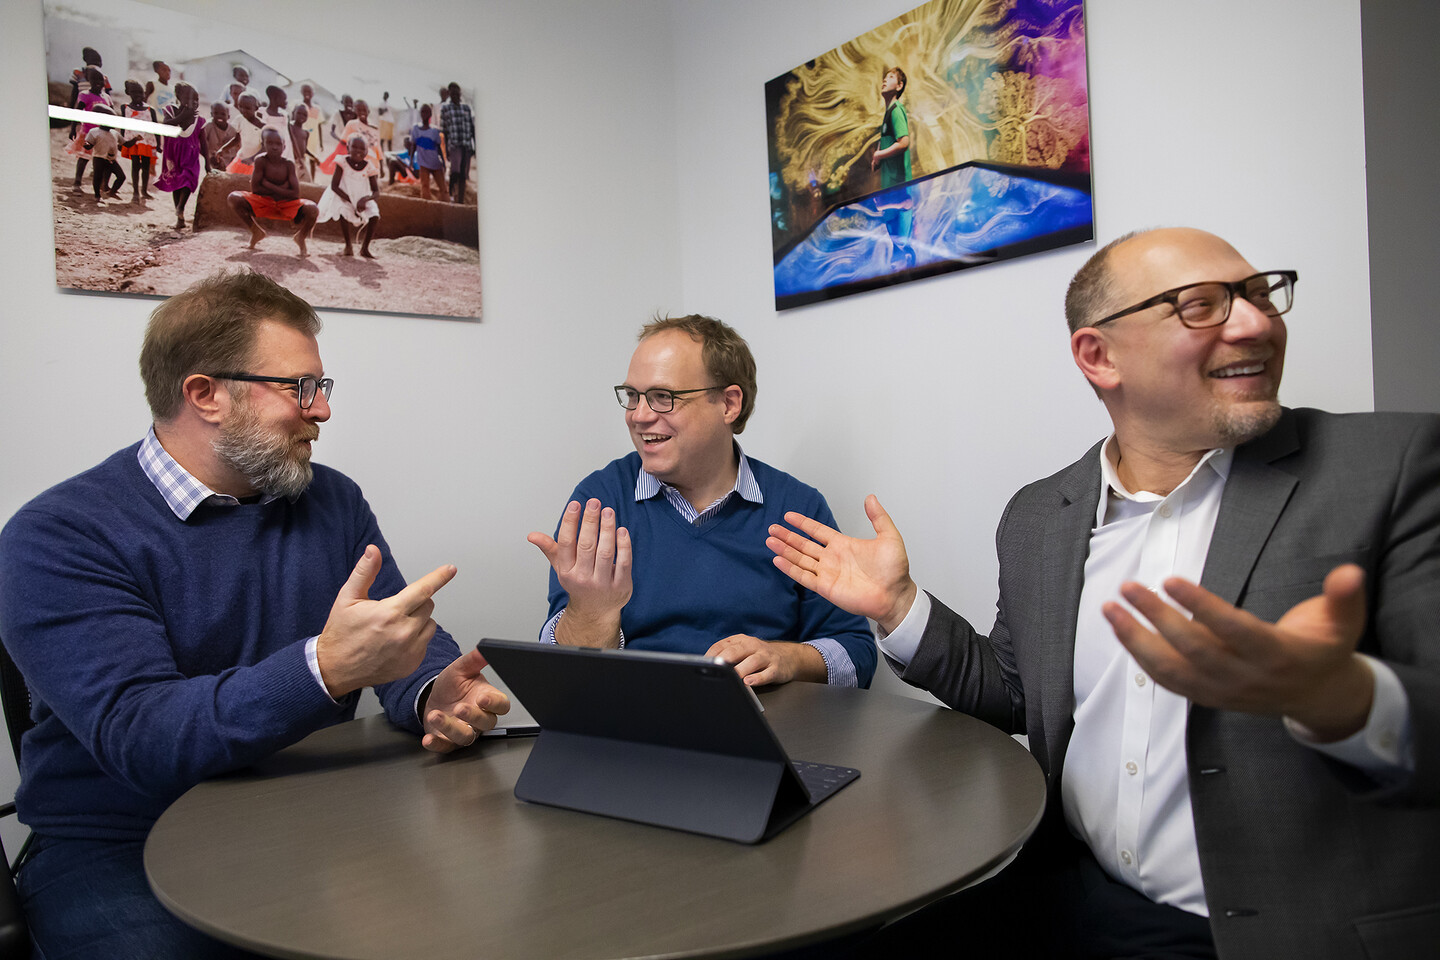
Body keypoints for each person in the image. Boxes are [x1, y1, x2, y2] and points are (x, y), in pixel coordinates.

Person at [768, 227, 1439, 959]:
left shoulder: (1393, 467)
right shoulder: (1040, 515)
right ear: (1098, 356)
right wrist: (899, 607)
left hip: (1277, 931)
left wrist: (1342, 698)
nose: (1255, 323)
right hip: (1070, 892)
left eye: (1260, 294)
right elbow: (1017, 696)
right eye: (1203, 305)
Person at [0, 270, 509, 959]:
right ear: (205, 394)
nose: (320, 410)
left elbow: (391, 633)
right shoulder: (59, 535)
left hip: (311, 811)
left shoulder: (331, 500)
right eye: (299, 387)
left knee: (470, 922)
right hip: (123, 844)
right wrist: (323, 670)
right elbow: (144, 738)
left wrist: (431, 691)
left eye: (321, 387)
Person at [529, 315, 876, 688]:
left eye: (663, 397)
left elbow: (856, 654)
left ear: (728, 404)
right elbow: (561, 673)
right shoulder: (600, 503)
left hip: (761, 718)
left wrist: (787, 658)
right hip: (633, 714)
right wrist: (591, 615)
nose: (639, 416)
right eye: (632, 396)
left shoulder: (797, 508)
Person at [227, 128, 319, 256]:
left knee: (313, 209)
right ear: (264, 145)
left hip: (286, 205)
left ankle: (300, 238)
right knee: (233, 197)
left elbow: (294, 194)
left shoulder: (288, 164)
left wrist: (267, 184)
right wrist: (283, 188)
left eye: (278, 144)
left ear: (284, 147)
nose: (274, 147)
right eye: (270, 143)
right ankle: (256, 231)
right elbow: (256, 189)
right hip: (263, 202)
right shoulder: (261, 161)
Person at [870, 66, 914, 266]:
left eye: (890, 77)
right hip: (891, 189)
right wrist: (878, 157)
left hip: (897, 188)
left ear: (899, 85)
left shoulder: (896, 110)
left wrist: (878, 154)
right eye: (884, 77)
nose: (884, 80)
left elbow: (903, 142)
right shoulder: (889, 113)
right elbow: (888, 140)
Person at [316, 133, 381, 258]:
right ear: (348, 148)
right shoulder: (342, 162)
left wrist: (364, 200)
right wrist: (351, 201)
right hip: (344, 195)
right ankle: (348, 246)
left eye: (362, 148)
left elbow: (376, 192)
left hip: (361, 197)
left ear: (367, 151)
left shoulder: (369, 166)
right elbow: (334, 186)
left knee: (374, 214)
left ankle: (365, 248)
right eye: (354, 147)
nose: (358, 151)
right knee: (342, 209)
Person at [152, 81, 206, 230]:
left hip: (191, 155)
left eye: (196, 99)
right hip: (173, 155)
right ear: (178, 97)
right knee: (175, 182)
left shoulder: (199, 120)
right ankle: (179, 217)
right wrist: (183, 116)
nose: (194, 102)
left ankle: (181, 207)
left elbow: (203, 142)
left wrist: (208, 162)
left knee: (189, 179)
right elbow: (166, 125)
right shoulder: (170, 111)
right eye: (189, 98)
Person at [118, 79, 158, 202]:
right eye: (134, 92)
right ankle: (135, 192)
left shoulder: (150, 109)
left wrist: (158, 145)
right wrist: (122, 141)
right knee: (135, 166)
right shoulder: (125, 108)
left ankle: (144, 191)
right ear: (128, 92)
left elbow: (156, 128)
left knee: (146, 166)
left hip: (147, 142)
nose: (138, 95)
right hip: (133, 142)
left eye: (141, 92)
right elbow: (123, 126)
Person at [439, 82, 475, 203]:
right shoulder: (445, 108)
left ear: (460, 93)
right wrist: (445, 149)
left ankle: (460, 200)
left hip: (466, 144)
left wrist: (474, 145)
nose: (455, 94)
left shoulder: (466, 108)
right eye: (452, 92)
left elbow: (471, 127)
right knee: (455, 171)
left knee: (463, 175)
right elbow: (444, 131)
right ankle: (451, 195)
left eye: (456, 91)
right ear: (449, 93)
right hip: (454, 144)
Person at [81, 104, 124, 202]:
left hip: (111, 159)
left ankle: (111, 192)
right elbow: (89, 144)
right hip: (99, 158)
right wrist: (86, 144)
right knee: (98, 176)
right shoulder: (94, 132)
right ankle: (97, 195)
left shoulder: (115, 133)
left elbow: (124, 144)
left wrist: (134, 140)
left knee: (121, 176)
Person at [406, 103, 447, 201]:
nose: (424, 114)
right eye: (423, 112)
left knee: (443, 188)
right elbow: (413, 146)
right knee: (424, 186)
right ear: (420, 113)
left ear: (430, 114)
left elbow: (438, 148)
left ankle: (446, 205)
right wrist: (411, 161)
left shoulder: (434, 131)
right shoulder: (416, 129)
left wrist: (443, 162)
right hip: (423, 163)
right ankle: (426, 207)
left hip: (435, 163)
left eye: (427, 112)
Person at [203, 100, 242, 173]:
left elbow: (237, 146)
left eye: (223, 114)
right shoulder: (208, 126)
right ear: (211, 114)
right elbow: (202, 142)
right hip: (211, 157)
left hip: (228, 159)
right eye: (216, 113)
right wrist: (209, 157)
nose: (219, 116)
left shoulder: (232, 130)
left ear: (228, 116)